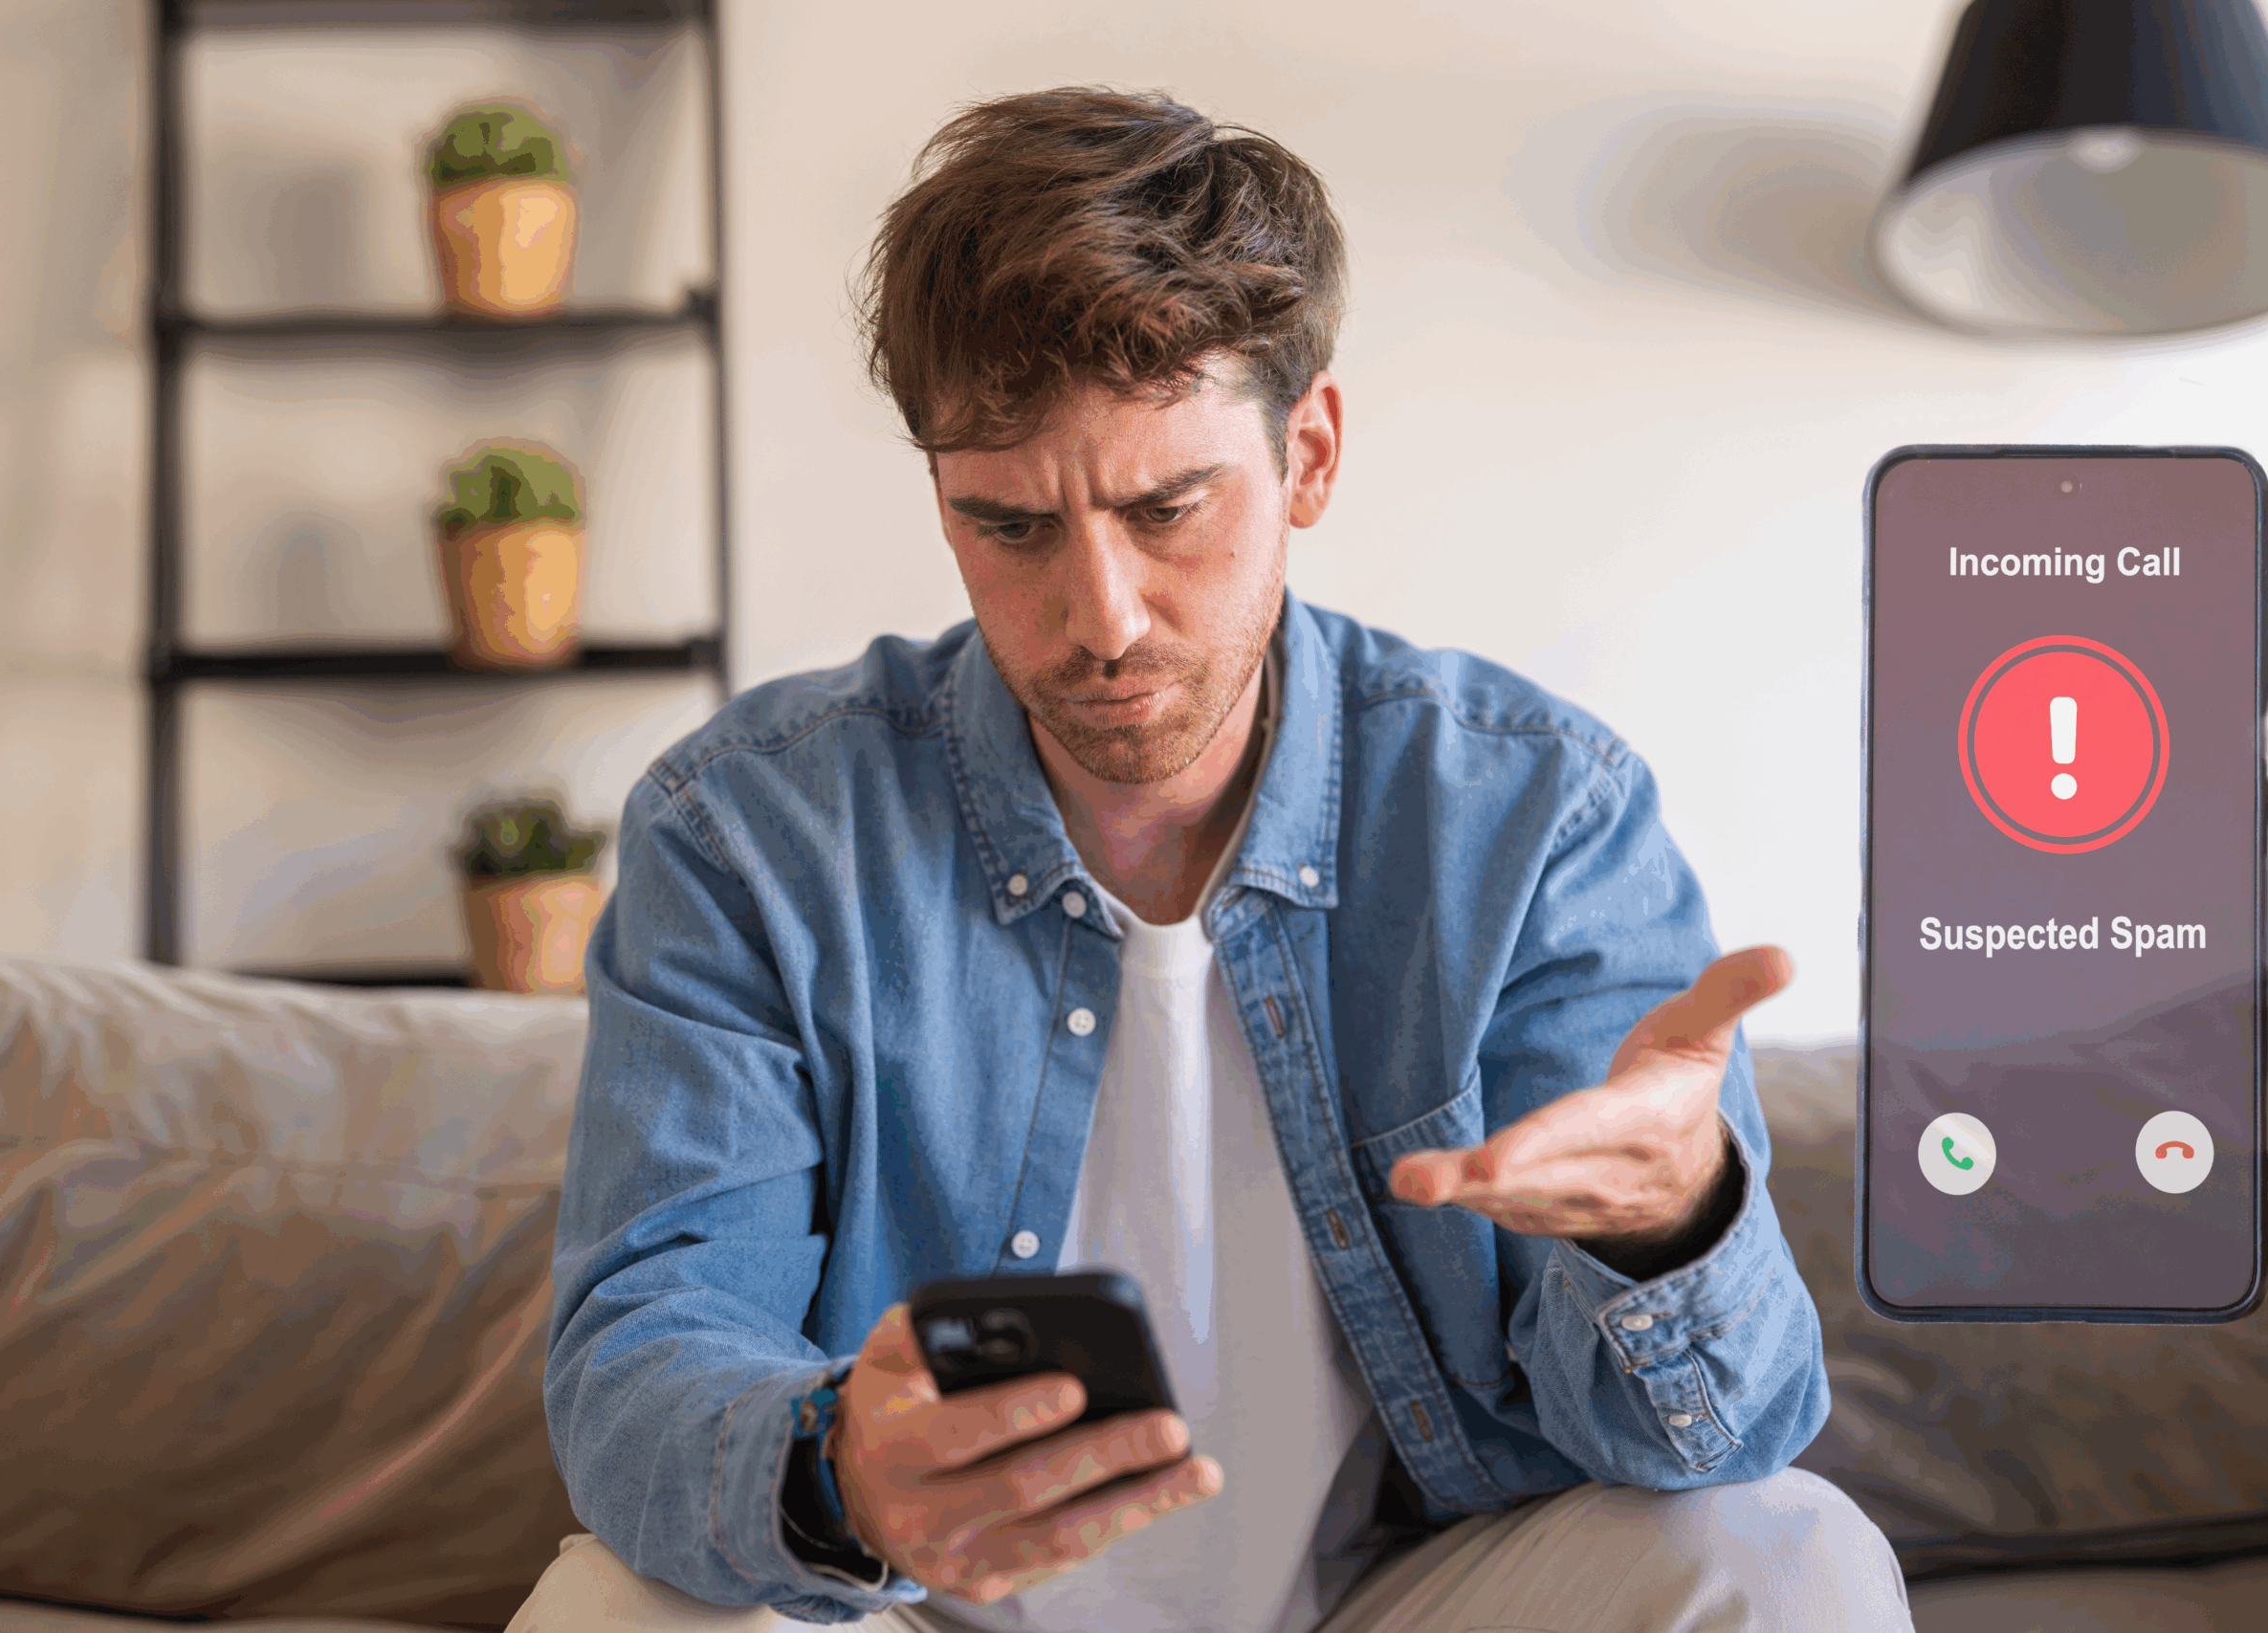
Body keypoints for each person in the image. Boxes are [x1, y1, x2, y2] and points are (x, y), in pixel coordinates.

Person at [511, 86, 1911, 1633]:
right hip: (925, 1610)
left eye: (1167, 506)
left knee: (1787, 1555)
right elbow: (649, 1348)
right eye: (1011, 526)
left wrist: (1670, 1223)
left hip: (1394, 1600)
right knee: (615, 1611)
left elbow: (1709, 1440)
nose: (1100, 615)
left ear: (1308, 454)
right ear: (940, 495)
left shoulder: (1530, 818)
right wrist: (836, 1472)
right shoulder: (748, 835)